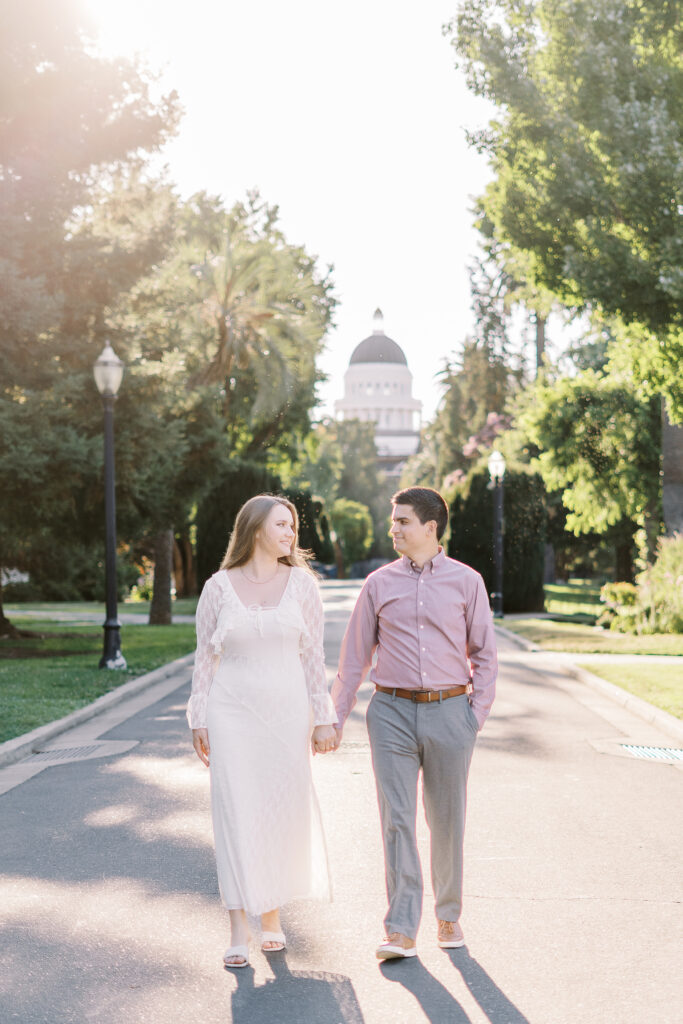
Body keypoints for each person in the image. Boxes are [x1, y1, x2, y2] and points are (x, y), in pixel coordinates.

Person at [331, 486, 497, 960]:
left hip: (451, 712)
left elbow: (485, 654)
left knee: (446, 821)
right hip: (391, 714)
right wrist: (334, 718)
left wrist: (474, 717)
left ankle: (449, 915)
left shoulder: (467, 582)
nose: (394, 528)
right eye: (393, 519)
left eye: (402, 520)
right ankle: (401, 928)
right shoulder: (378, 584)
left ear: (430, 528)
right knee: (396, 821)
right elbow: (354, 659)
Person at [187, 494, 338, 968]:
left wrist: (323, 717)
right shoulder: (217, 587)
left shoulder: (303, 587)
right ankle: (237, 925)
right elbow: (203, 660)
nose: (291, 534)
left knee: (277, 812)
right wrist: (199, 716)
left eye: (292, 526)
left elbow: (313, 657)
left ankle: (270, 916)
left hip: (286, 716)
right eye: (282, 525)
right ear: (254, 530)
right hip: (230, 711)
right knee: (234, 812)